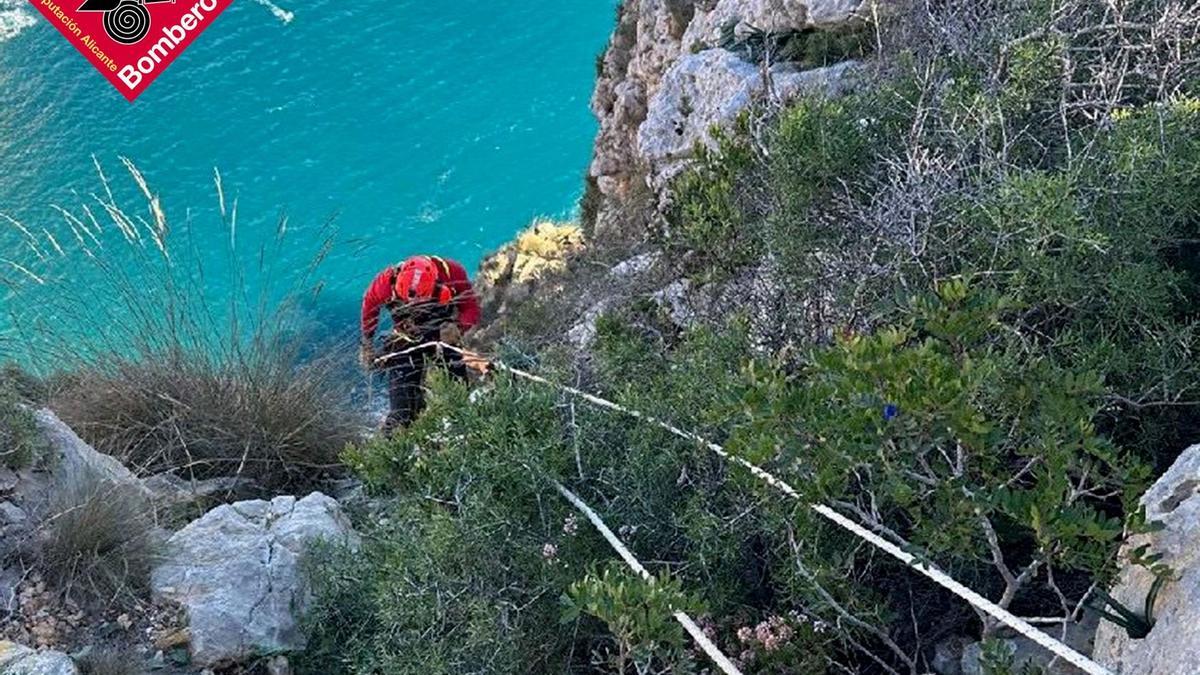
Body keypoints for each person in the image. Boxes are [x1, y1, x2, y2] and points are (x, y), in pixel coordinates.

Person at [360, 255, 481, 433]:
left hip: (442, 337)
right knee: (401, 413)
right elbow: (369, 306)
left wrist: (458, 328)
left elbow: (470, 308)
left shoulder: (452, 273)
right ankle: (394, 444)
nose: (415, 305)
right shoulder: (385, 283)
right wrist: (367, 342)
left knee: (459, 393)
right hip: (406, 339)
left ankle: (466, 432)